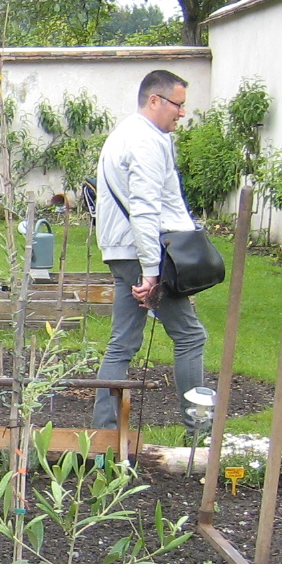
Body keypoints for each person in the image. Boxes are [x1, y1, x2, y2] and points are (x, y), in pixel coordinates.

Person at [94, 68, 209, 436]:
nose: (182, 112)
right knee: (190, 336)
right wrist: (151, 272)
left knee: (122, 343)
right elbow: (144, 209)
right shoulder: (145, 141)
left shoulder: (126, 133)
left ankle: (104, 438)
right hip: (144, 252)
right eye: (178, 104)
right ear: (155, 100)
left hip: (124, 250)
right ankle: (199, 434)